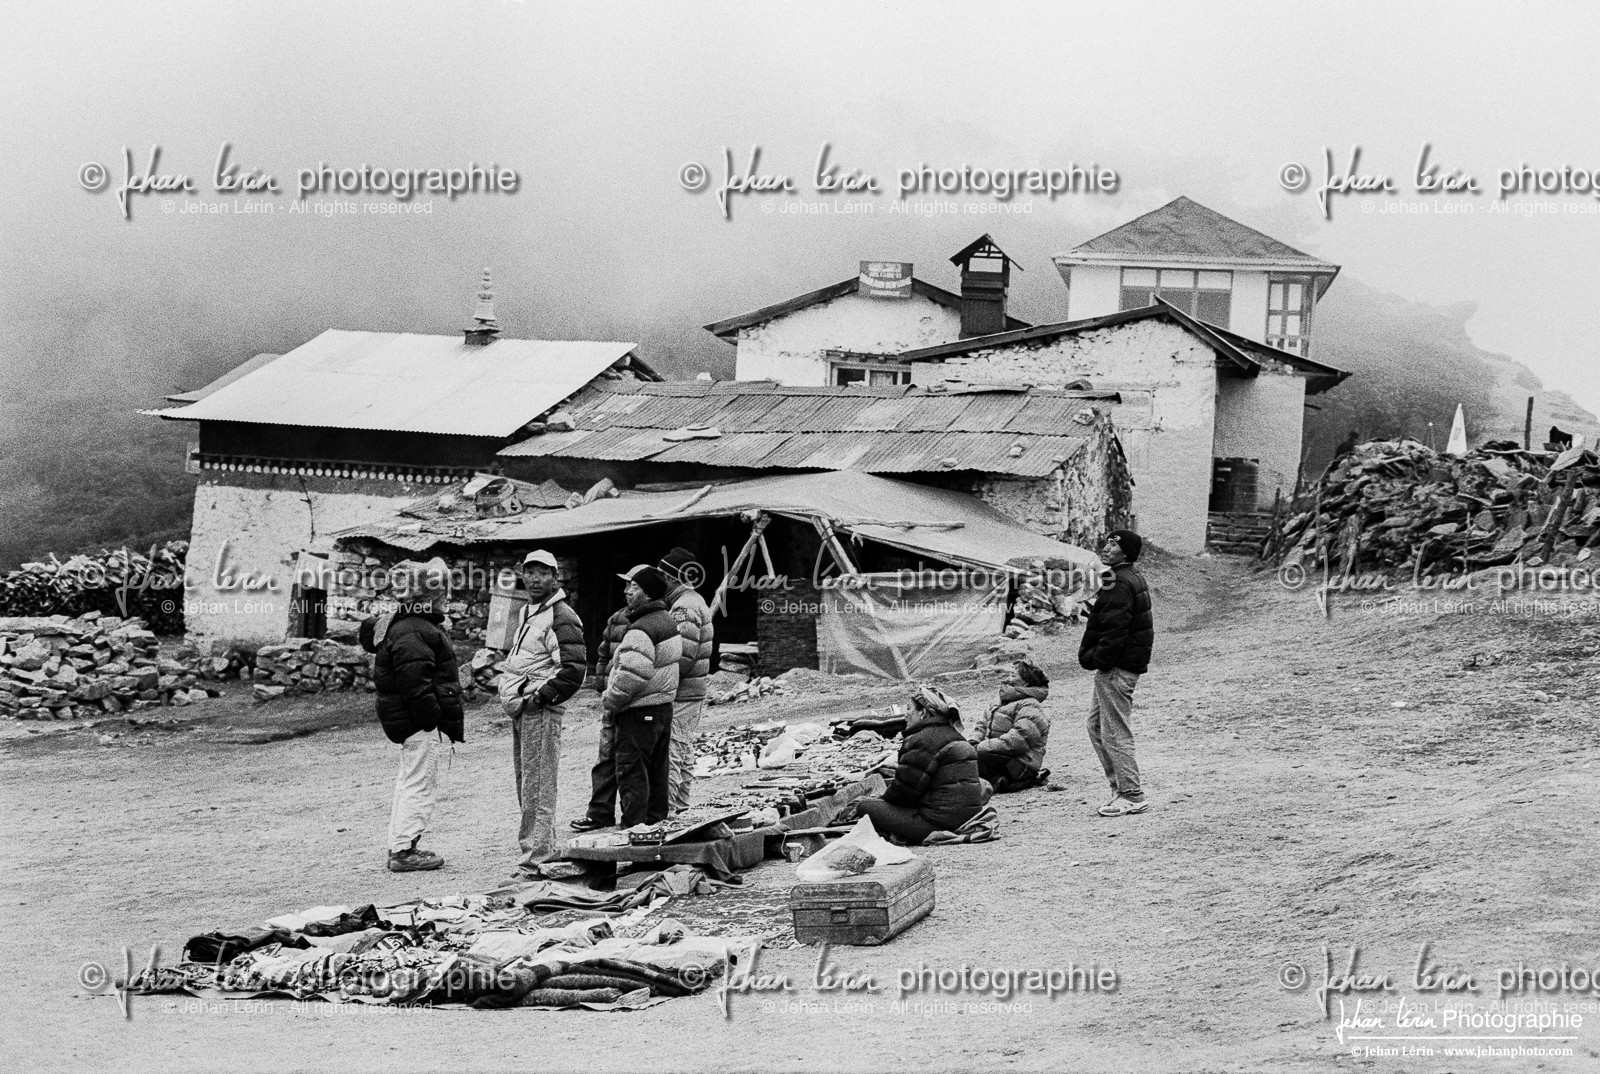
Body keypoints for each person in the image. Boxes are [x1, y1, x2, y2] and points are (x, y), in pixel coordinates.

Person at [358, 557, 464, 872]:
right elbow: (415, 683)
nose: (446, 596)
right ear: (428, 595)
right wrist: (431, 719)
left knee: (409, 781)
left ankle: (401, 844)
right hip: (419, 723)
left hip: (410, 722)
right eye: (442, 590)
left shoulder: (408, 625)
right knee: (420, 783)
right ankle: (404, 851)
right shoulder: (416, 629)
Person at [497, 549, 585, 881]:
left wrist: (539, 698)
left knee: (538, 786)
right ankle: (539, 850)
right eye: (529, 571)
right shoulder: (527, 612)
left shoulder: (562, 615)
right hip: (523, 709)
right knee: (526, 783)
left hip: (540, 711)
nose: (535, 578)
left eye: (542, 572)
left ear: (554, 577)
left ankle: (537, 860)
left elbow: (573, 669)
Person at [600, 565, 682, 828]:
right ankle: (655, 831)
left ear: (647, 594)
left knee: (632, 774)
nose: (627, 592)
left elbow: (634, 672)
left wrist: (611, 699)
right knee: (657, 773)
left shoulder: (642, 628)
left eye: (633, 587)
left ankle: (634, 833)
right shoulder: (666, 620)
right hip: (661, 708)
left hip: (638, 711)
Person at [1080, 528, 1154, 818]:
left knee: (1114, 732)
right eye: (1108, 542)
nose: (1107, 547)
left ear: (1126, 553)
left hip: (1116, 669)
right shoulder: (1122, 578)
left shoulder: (1121, 583)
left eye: (1115, 544)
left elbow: (1114, 630)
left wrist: (1099, 658)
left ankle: (1132, 795)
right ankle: (1120, 789)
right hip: (1117, 667)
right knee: (1096, 727)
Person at [856, 686, 984, 845]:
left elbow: (905, 793)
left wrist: (880, 800)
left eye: (909, 709)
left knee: (864, 807)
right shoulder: (955, 735)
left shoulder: (922, 740)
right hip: (967, 817)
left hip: (937, 823)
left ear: (923, 713)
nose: (906, 714)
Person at [659, 547, 713, 814]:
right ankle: (681, 807)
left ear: (671, 578)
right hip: (692, 689)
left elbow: (683, 654)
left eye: (660, 575)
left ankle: (668, 810)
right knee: (683, 748)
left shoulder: (684, 606)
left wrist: (660, 680)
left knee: (673, 750)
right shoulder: (692, 601)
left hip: (683, 691)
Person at [571, 604, 631, 832]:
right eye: (626, 585)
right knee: (605, 756)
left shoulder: (654, 619)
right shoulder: (617, 617)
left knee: (631, 761)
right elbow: (604, 651)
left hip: (635, 701)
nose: (628, 590)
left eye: (634, 586)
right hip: (611, 698)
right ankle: (599, 813)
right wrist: (600, 679)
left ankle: (632, 817)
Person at [971, 660, 1052, 792]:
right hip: (998, 755)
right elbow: (981, 725)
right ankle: (997, 781)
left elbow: (1018, 740)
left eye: (1013, 675)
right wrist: (973, 742)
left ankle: (1023, 780)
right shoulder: (999, 702)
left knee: (979, 760)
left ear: (1025, 683)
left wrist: (981, 747)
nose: (1008, 679)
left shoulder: (1030, 705)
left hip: (1022, 762)